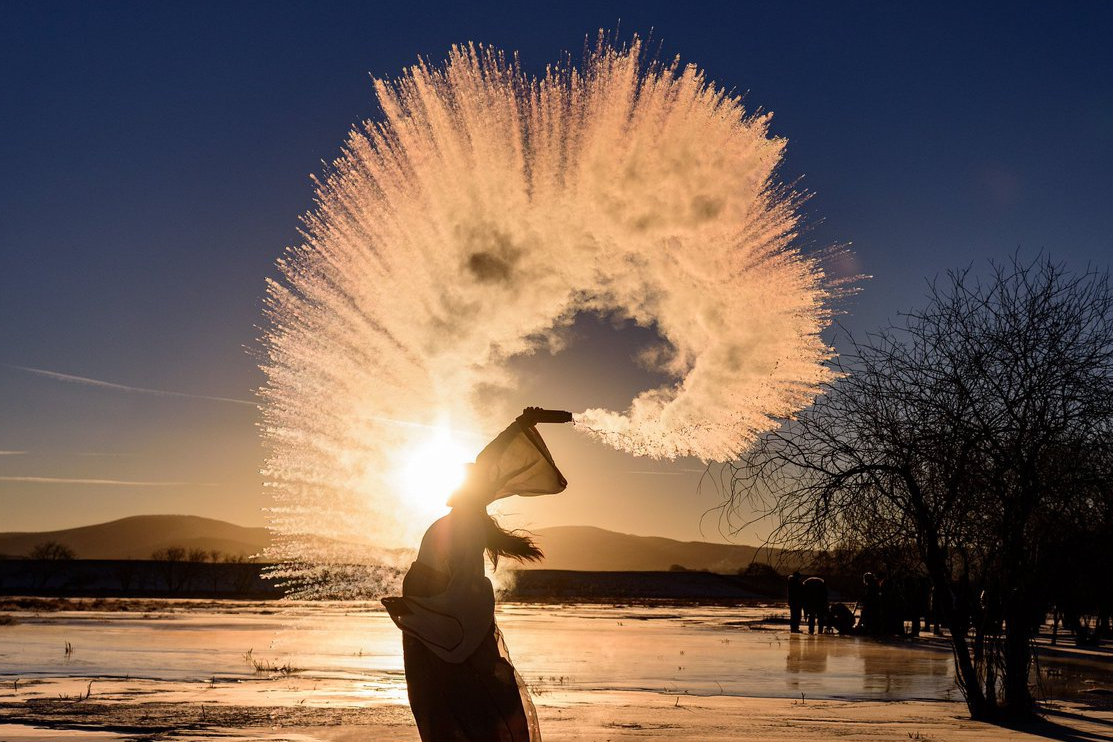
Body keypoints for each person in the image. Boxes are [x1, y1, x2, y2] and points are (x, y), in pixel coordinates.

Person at [383, 407, 572, 742]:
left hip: (446, 614)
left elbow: (464, 586)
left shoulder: (465, 523)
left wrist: (426, 612)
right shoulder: (464, 521)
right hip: (439, 611)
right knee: (449, 692)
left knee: (454, 692)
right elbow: (487, 462)